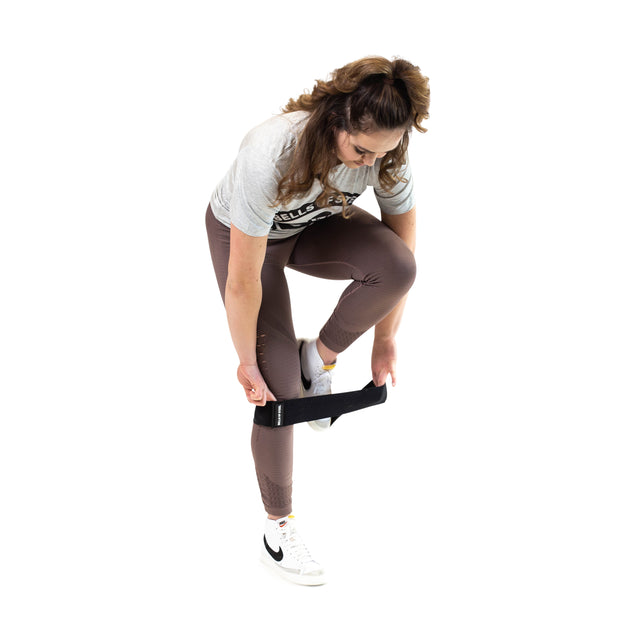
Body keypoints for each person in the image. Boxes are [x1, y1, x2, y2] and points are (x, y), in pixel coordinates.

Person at [205, 56, 430, 585]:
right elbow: (242, 281)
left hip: (313, 226)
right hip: (247, 245)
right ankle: (277, 527)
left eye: (383, 152)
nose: (368, 165)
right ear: (336, 119)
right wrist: (247, 363)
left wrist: (385, 339)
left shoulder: (387, 157)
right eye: (360, 150)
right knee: (278, 391)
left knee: (398, 266)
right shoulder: (272, 151)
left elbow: (402, 250)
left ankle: (317, 357)